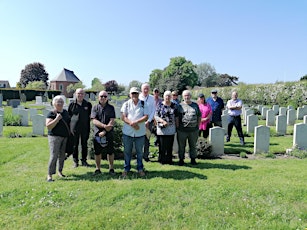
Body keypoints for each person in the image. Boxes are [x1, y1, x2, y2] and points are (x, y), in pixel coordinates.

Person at [121, 87, 149, 177]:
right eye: (133, 93)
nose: (134, 95)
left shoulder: (144, 104)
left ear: (138, 94)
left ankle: (140, 169)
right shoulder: (126, 104)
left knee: (139, 152)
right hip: (128, 132)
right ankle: (126, 168)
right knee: (127, 151)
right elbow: (123, 117)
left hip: (140, 132)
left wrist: (136, 122)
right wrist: (132, 123)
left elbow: (146, 117)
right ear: (130, 94)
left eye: (136, 93)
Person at [46, 96, 71, 182]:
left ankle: (60, 171)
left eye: (61, 102)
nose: (60, 103)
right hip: (54, 137)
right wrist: (56, 119)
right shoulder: (51, 113)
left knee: (62, 156)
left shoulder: (66, 113)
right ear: (54, 103)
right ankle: (49, 175)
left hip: (64, 137)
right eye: (58, 102)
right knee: (54, 156)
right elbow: (49, 126)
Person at [91, 91, 116, 175]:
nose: (103, 98)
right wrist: (104, 126)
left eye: (105, 96)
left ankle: (111, 168)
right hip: (97, 133)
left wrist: (105, 130)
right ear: (98, 97)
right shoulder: (95, 107)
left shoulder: (111, 108)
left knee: (110, 152)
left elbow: (112, 120)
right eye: (101, 96)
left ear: (107, 98)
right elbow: (94, 120)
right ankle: (98, 169)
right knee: (97, 152)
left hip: (108, 133)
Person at [68, 88, 92, 168]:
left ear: (84, 95)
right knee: (75, 145)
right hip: (74, 128)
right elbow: (69, 116)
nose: (80, 95)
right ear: (75, 94)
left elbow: (89, 116)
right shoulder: (72, 105)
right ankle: (75, 161)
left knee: (84, 144)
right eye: (78, 93)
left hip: (85, 127)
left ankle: (84, 160)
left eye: (82, 93)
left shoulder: (88, 104)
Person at [177, 90, 201, 166]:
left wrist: (198, 126)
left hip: (193, 130)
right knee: (181, 146)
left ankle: (193, 159)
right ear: (183, 97)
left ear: (190, 96)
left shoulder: (195, 105)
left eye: (188, 95)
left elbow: (199, 116)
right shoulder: (179, 106)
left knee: (193, 145)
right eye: (185, 95)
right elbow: (177, 117)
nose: (187, 97)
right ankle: (181, 159)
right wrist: (177, 127)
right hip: (182, 130)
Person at [154, 91, 179, 164]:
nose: (167, 97)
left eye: (169, 96)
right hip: (162, 129)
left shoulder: (174, 105)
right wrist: (162, 121)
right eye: (166, 96)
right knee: (162, 146)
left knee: (169, 145)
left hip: (171, 128)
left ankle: (169, 160)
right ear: (164, 97)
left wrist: (177, 126)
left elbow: (176, 116)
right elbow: (156, 116)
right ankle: (162, 160)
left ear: (171, 97)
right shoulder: (160, 105)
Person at [139, 83, 155, 161]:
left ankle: (146, 156)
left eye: (147, 89)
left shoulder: (152, 98)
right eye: (144, 88)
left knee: (147, 140)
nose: (145, 90)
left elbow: (153, 110)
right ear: (141, 89)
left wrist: (148, 121)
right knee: (138, 139)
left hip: (149, 122)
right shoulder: (138, 97)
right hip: (139, 121)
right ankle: (139, 156)